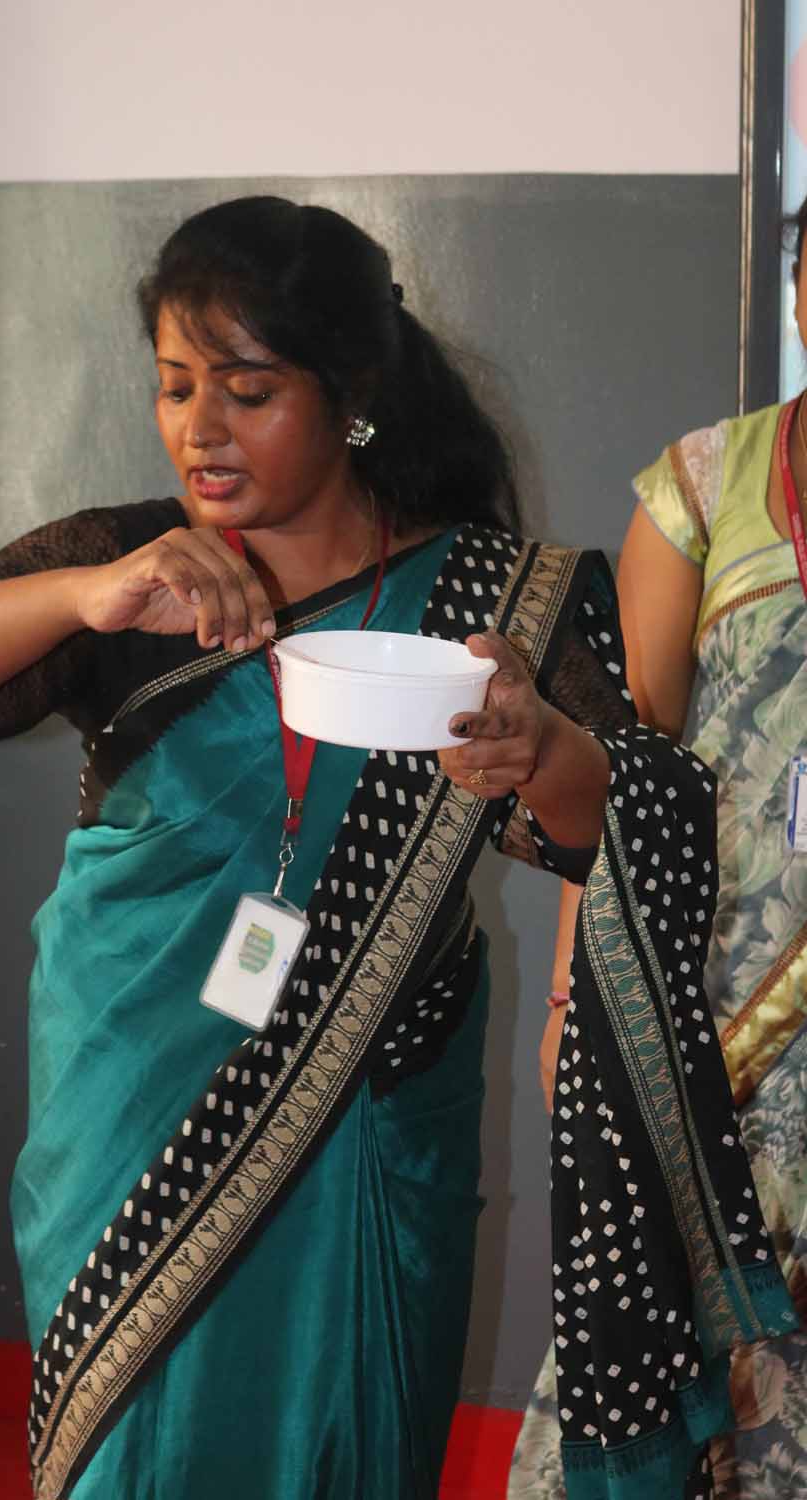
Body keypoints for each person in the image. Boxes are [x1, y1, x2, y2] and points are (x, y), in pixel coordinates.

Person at [0, 197, 792, 1500]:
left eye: (249, 389)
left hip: (375, 1122)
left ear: (353, 398)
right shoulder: (134, 568)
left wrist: (538, 750)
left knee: (347, 1442)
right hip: (133, 1107)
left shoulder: (501, 601)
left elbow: (621, 838)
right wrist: (82, 598)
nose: (199, 429)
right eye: (174, 386)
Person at [513, 198, 807, 1500]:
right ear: (798, 292)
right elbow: (624, 760)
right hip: (708, 1012)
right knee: (673, 1329)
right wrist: (576, 995)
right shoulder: (705, 485)